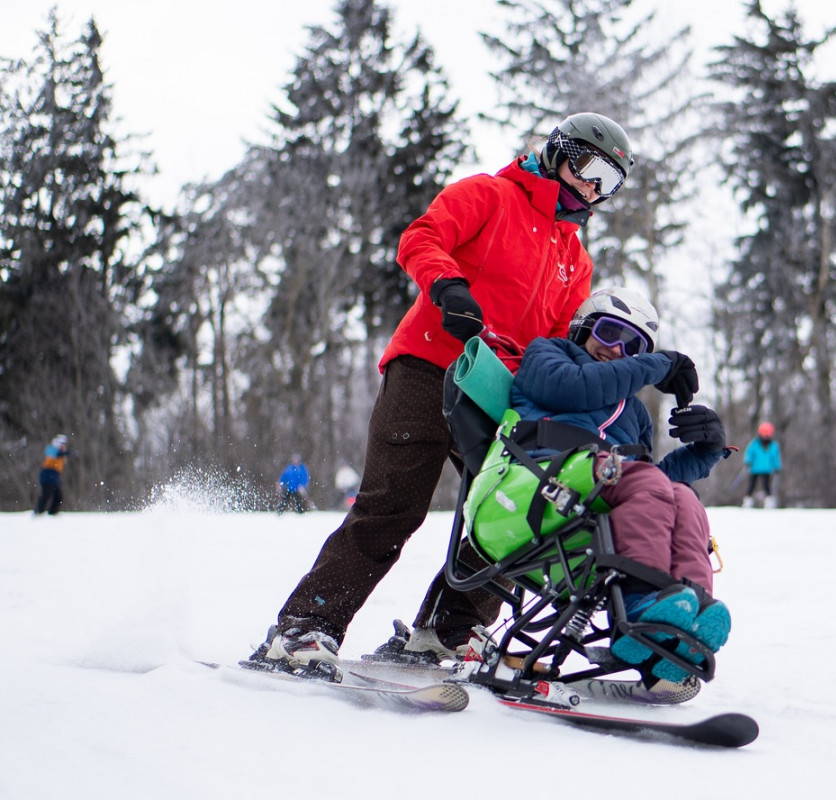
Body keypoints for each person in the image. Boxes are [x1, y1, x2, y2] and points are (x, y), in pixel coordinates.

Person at [249, 112, 636, 678]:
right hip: (432, 365)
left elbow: (555, 341)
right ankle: (305, 627)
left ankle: (447, 632)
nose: (593, 186)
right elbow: (422, 236)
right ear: (558, 153)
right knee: (394, 505)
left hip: (501, 394)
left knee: (512, 510)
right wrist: (448, 285)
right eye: (588, 166)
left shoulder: (573, 259)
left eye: (610, 181)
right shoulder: (490, 194)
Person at [505, 287, 731, 682]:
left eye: (634, 347)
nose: (617, 350)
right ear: (583, 328)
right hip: (543, 481)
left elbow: (651, 488)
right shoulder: (548, 356)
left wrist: (705, 452)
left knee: (683, 499)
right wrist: (659, 364)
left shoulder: (635, 412)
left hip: (597, 494)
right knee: (645, 480)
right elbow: (572, 388)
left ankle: (685, 614)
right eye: (610, 333)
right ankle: (640, 601)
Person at [742, 422, 782, 508]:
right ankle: (747, 502)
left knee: (766, 486)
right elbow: (749, 453)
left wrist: (777, 467)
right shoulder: (755, 444)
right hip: (754, 468)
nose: (765, 436)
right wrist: (748, 461)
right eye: (764, 434)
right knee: (751, 486)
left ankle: (769, 503)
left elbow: (775, 457)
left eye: (767, 434)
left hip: (766, 469)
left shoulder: (773, 446)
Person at [34, 434, 70, 516]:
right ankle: (39, 511)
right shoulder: (52, 449)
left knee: (58, 496)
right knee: (46, 494)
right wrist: (63, 453)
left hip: (55, 476)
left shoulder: (61, 453)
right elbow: (54, 454)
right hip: (48, 475)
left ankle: (52, 513)